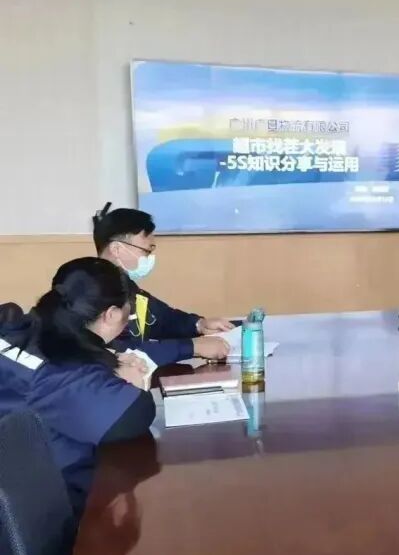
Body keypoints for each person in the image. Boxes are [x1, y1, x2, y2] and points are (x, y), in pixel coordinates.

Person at [0, 258, 156, 513]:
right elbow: (135, 413)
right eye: (126, 318)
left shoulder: (15, 325)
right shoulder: (61, 378)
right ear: (111, 315)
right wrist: (128, 380)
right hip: (51, 513)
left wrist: (106, 362)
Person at [93, 203, 230, 363]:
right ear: (117, 249)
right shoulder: (93, 293)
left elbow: (162, 318)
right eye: (146, 251)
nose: (149, 258)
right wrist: (192, 347)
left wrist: (199, 324)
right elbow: (121, 353)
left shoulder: (126, 286)